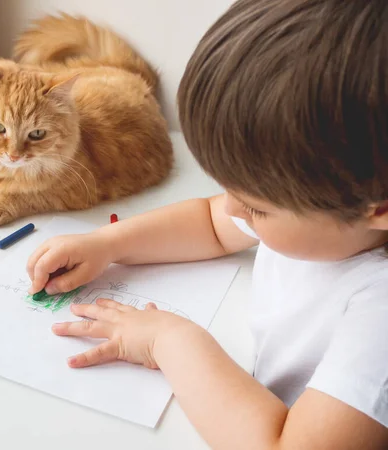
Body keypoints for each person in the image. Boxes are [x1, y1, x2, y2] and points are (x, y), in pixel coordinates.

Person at [26, 0, 388, 447]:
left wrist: (169, 340)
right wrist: (108, 243)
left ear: (378, 206)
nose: (232, 208)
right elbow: (211, 222)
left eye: (256, 207)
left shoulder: (380, 321)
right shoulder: (333, 204)